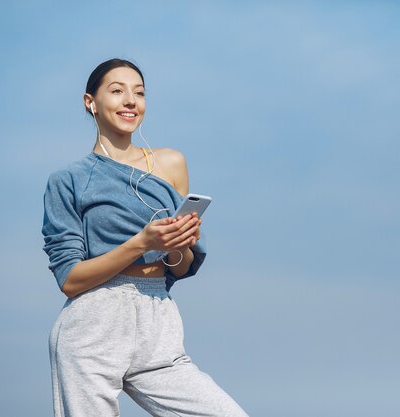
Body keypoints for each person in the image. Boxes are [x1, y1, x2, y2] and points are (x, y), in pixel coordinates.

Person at [42, 58, 248, 417]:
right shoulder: (68, 180)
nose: (130, 101)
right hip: (93, 325)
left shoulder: (171, 163)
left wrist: (178, 245)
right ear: (90, 102)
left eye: (139, 93)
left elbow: (179, 269)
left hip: (159, 320)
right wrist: (142, 243)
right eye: (117, 91)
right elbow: (70, 280)